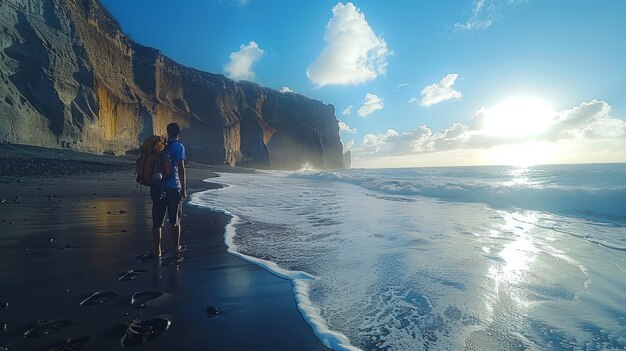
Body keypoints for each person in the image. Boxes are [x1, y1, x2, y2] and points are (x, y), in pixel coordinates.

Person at [151, 122, 187, 257]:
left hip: (158, 187)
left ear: (167, 132)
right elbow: (181, 168)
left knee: (157, 222)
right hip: (173, 188)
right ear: (178, 133)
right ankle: (176, 247)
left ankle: (158, 251)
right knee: (175, 221)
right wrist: (183, 189)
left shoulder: (160, 146)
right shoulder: (179, 147)